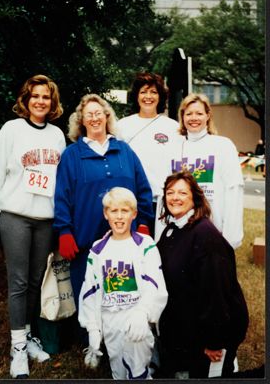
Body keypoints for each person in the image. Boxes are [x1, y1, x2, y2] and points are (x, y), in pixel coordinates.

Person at [0, 74, 66, 378]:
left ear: (52, 102)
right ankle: (17, 348)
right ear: (26, 100)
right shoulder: (11, 129)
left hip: (44, 218)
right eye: (35, 96)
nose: (41, 101)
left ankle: (28, 335)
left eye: (46, 96)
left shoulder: (57, 135)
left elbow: (60, 179)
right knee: (17, 282)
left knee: (35, 281)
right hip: (16, 214)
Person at [53, 94, 153, 315]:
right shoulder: (71, 155)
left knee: (124, 289)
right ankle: (90, 339)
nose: (95, 118)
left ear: (107, 117)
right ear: (81, 121)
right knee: (88, 290)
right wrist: (64, 231)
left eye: (99, 113)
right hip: (85, 240)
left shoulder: (124, 151)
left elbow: (143, 189)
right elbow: (61, 196)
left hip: (125, 240)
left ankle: (123, 334)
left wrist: (144, 222)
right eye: (89, 114)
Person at [156, 171, 249, 379]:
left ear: (195, 198)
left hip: (212, 334)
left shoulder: (205, 235)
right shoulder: (172, 230)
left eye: (182, 192)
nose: (175, 198)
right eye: (170, 192)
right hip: (187, 329)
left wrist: (214, 341)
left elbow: (217, 292)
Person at [78, 187, 168, 379]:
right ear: (105, 214)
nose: (119, 217)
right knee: (118, 371)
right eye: (114, 211)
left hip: (137, 319)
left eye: (125, 211)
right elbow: (90, 291)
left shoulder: (145, 245)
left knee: (138, 369)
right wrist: (93, 328)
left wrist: (143, 312)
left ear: (134, 214)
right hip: (111, 321)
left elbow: (155, 284)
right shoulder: (97, 250)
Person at [155, 93, 244, 249]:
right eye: (188, 113)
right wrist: (160, 236)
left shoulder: (223, 146)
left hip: (213, 228)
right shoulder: (172, 148)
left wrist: (231, 237)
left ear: (208, 115)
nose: (193, 118)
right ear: (182, 117)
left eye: (199, 113)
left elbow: (234, 189)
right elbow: (164, 194)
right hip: (180, 230)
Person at [117, 72, 179, 235]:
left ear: (160, 97)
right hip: (130, 202)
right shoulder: (122, 126)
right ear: (136, 96)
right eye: (143, 92)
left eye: (153, 92)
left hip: (162, 202)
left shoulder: (173, 127)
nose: (148, 97)